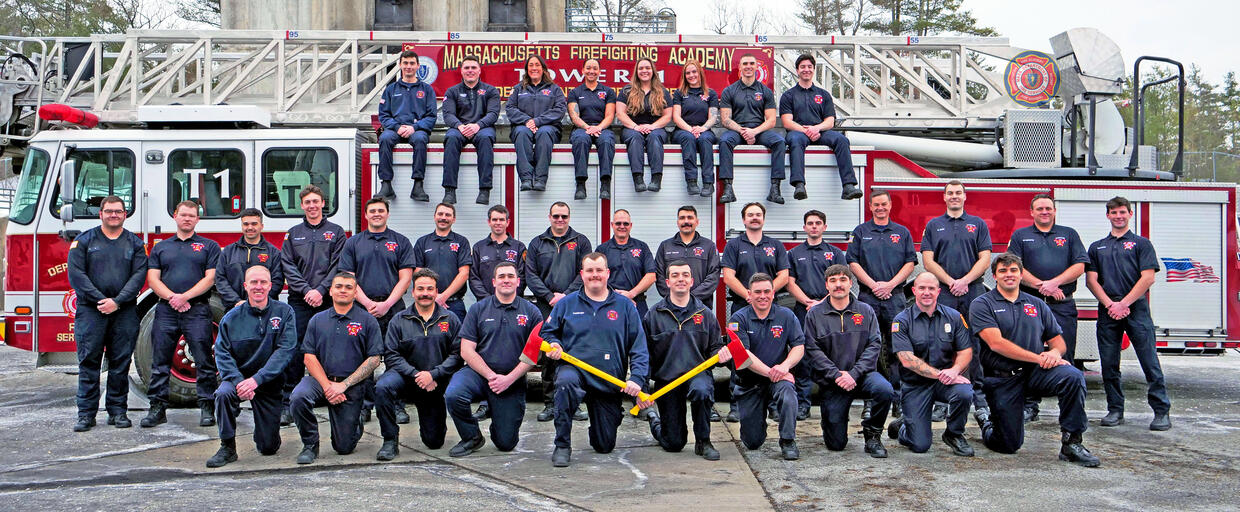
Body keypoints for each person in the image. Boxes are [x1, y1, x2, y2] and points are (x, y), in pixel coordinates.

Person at [970, 253, 1100, 467]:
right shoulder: (982, 304)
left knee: (1073, 377)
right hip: (1003, 379)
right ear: (994, 276)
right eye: (1003, 271)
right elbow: (996, 343)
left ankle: (1072, 443)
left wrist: (1055, 354)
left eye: (1013, 270)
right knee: (1008, 445)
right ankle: (986, 421)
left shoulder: (1037, 304)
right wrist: (1039, 358)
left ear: (1021, 275)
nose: (1008, 275)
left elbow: (1058, 341)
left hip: (1035, 373)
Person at [541, 252, 650, 467]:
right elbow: (547, 333)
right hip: (575, 371)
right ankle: (562, 444)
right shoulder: (566, 303)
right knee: (564, 384)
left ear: (607, 273)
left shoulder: (625, 306)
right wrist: (554, 344)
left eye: (599, 270)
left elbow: (639, 347)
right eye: (590, 271)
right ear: (582, 274)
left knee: (604, 445)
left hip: (608, 379)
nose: (595, 275)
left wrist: (637, 378)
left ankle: (600, 423)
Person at [1085, 196, 1171, 431]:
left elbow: (1148, 277)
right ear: (1108, 216)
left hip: (1136, 310)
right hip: (1107, 311)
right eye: (1114, 213)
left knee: (1149, 362)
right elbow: (1091, 281)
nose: (1119, 216)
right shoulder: (1097, 247)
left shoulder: (1142, 244)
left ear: (1130, 214)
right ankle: (1115, 410)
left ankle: (1161, 411)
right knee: (1109, 364)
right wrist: (1110, 305)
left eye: (1123, 212)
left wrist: (1124, 303)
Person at [444, 262, 543, 457]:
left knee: (505, 443)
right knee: (454, 394)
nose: (506, 280)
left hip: (512, 379)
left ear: (518, 281)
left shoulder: (532, 312)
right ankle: (471, 436)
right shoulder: (478, 309)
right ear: (494, 282)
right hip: (479, 374)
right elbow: (466, 350)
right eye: (501, 276)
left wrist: (508, 379)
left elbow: (533, 355)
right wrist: (491, 376)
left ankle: (498, 418)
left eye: (510, 276)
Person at [68, 195, 147, 432]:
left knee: (121, 363)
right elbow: (77, 276)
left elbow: (139, 277)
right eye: (109, 211)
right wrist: (101, 300)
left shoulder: (134, 244)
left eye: (119, 211)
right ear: (100, 214)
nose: (114, 215)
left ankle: (118, 412)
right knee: (89, 362)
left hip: (123, 312)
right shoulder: (83, 241)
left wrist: (118, 301)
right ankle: (86, 415)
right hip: (91, 311)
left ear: (125, 215)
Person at [1007, 194, 1088, 422]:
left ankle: (1070, 409)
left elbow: (1080, 265)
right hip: (1029, 304)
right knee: (1029, 353)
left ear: (1054, 211)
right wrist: (1042, 287)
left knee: (1065, 352)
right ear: (1031, 212)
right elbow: (1015, 268)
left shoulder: (1069, 234)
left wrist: (1054, 284)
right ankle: (1029, 406)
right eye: (1040, 208)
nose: (1044, 212)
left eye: (1048, 208)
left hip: (1062, 304)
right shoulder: (1021, 236)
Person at [206, 266, 297, 468]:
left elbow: (285, 351)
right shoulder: (231, 318)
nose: (259, 287)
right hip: (238, 381)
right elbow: (222, 353)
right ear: (245, 286)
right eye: (254, 282)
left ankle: (265, 433)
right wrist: (240, 382)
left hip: (268, 383)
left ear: (271, 286)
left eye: (263, 282)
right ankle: (227, 447)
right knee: (223, 394)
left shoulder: (285, 313)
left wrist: (257, 380)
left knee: (268, 448)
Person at [142, 200, 222, 429]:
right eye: (183, 215)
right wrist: (173, 299)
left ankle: (207, 407)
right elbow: (153, 279)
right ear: (175, 216)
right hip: (166, 310)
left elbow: (210, 278)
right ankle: (157, 408)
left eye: (192, 216)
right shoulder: (161, 247)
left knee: (205, 361)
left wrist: (185, 297)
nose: (187, 219)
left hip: (197, 309)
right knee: (160, 362)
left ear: (197, 220)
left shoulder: (209, 246)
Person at [289, 271, 382, 465]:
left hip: (351, 384)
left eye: (349, 287)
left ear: (356, 293)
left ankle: (354, 422)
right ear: (330, 291)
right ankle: (309, 445)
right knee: (298, 396)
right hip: (320, 380)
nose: (343, 291)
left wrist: (344, 385)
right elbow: (308, 357)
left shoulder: (368, 320)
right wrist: (328, 387)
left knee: (343, 448)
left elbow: (374, 359)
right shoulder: (317, 320)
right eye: (338, 286)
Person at [337, 196, 415, 424]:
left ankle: (397, 405)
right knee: (364, 360)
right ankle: (364, 406)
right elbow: (348, 278)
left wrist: (387, 304)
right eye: (372, 211)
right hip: (361, 309)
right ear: (366, 215)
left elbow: (406, 277)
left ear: (388, 214)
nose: (377, 214)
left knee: (395, 358)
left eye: (381, 210)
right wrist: (368, 303)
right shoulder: (353, 243)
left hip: (393, 309)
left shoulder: (400, 241)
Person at [802, 265, 892, 458]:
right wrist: (836, 375)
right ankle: (831, 422)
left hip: (862, 375)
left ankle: (873, 434)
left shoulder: (865, 311)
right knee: (836, 444)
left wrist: (854, 373)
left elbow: (874, 345)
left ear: (851, 283)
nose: (838, 285)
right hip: (833, 381)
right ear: (826, 285)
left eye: (843, 280)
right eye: (833, 281)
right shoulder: (815, 314)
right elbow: (812, 350)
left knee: (884, 390)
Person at [921, 180, 991, 425]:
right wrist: (951, 281)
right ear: (944, 197)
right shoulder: (934, 225)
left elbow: (985, 258)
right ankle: (941, 400)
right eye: (950, 193)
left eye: (958, 193)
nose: (954, 196)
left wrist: (965, 281)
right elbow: (928, 261)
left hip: (973, 291)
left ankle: (978, 398)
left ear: (965, 196)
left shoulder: (978, 224)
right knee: (942, 344)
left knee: (975, 344)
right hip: (946, 292)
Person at [639, 260, 725, 460]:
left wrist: (720, 355)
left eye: (685, 275)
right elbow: (644, 356)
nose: (681, 279)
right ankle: (655, 420)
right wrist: (643, 389)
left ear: (692, 281)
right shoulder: (653, 316)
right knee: (673, 444)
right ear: (667, 282)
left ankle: (704, 441)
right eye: (675, 275)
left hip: (697, 375)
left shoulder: (705, 314)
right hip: (667, 381)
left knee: (703, 390)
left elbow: (715, 348)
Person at [374, 269, 463, 461]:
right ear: (413, 292)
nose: (425, 293)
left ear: (436, 291)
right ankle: (389, 440)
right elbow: (391, 355)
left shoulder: (450, 319)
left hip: (435, 383)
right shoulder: (399, 320)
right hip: (406, 378)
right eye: (420, 289)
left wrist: (433, 375)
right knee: (382, 387)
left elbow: (457, 355)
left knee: (434, 442)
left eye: (430, 289)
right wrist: (416, 374)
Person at [886, 272, 975, 456]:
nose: (927, 292)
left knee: (965, 393)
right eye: (922, 288)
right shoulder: (901, 320)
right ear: (914, 290)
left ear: (938, 291)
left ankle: (954, 434)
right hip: (915, 385)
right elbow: (906, 359)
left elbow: (966, 351)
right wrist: (941, 374)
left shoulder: (954, 317)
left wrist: (955, 370)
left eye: (931, 288)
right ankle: (905, 427)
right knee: (920, 446)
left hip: (945, 382)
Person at [279, 185, 347, 425]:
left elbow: (338, 265)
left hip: (328, 300)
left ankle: (332, 395)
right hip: (300, 300)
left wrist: (321, 290)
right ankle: (288, 402)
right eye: (307, 202)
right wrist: (307, 290)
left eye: (315, 201)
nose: (312, 205)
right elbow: (287, 265)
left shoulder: (336, 232)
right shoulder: (293, 233)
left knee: (332, 347)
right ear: (302, 205)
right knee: (295, 350)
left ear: (322, 203)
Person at [847, 190, 917, 420]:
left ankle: (898, 399)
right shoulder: (861, 232)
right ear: (870, 206)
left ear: (889, 206)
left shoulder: (901, 232)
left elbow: (910, 263)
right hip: (868, 297)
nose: (880, 208)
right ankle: (871, 399)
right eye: (876, 204)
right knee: (868, 349)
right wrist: (874, 285)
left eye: (884, 204)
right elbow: (853, 262)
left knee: (898, 348)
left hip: (895, 297)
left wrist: (889, 285)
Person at [721, 202, 789, 422]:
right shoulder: (733, 245)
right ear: (743, 219)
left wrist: (766, 295)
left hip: (771, 309)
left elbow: (784, 276)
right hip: (742, 306)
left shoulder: (775, 245)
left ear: (763, 218)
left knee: (772, 353)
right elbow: (728, 276)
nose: (754, 218)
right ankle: (737, 404)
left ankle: (773, 405)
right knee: (739, 354)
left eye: (758, 214)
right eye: (750, 215)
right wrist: (749, 295)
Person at [525, 201, 592, 422]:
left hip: (574, 304)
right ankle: (550, 403)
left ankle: (575, 403)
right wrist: (549, 297)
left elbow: (585, 271)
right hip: (546, 305)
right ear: (549, 216)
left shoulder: (581, 241)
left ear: (569, 217)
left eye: (564, 216)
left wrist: (566, 295)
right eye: (556, 216)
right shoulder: (537, 243)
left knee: (574, 351)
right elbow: (530, 275)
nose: (560, 220)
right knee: (549, 355)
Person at [728, 273, 803, 460]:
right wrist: (772, 372)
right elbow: (743, 355)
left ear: (773, 292)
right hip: (750, 382)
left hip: (779, 378)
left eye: (767, 291)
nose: (763, 296)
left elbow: (799, 347)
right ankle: (758, 422)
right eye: (758, 292)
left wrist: (785, 367)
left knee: (788, 394)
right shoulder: (738, 318)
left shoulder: (786, 315)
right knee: (752, 443)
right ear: (749, 294)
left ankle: (787, 440)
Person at [786, 209, 845, 420]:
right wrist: (807, 302)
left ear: (824, 227)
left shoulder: (835, 253)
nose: (814, 226)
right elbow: (789, 282)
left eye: (818, 223)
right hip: (803, 309)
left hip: (830, 309)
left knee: (832, 354)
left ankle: (832, 401)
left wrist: (822, 303)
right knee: (803, 356)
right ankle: (803, 403)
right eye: (810, 223)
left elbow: (840, 281)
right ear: (804, 228)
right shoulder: (793, 253)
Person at [778, 54, 862, 201]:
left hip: (821, 132)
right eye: (803, 67)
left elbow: (830, 121)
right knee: (795, 141)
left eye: (809, 67)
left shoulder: (824, 95)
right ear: (797, 71)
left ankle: (848, 186)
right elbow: (787, 122)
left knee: (842, 140)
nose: (806, 70)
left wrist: (816, 128)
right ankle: (799, 185)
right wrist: (807, 131)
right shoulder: (788, 95)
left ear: (814, 70)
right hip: (798, 132)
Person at [718, 53, 785, 204]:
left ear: (756, 67)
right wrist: (743, 131)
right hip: (737, 131)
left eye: (752, 63)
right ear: (740, 67)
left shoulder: (766, 91)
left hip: (759, 131)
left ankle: (775, 188)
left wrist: (754, 131)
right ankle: (728, 188)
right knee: (724, 141)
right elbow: (725, 119)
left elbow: (772, 120)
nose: (748, 66)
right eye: (745, 63)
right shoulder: (729, 91)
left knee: (779, 141)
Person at [377, 49, 437, 202]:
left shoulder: (427, 90)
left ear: (418, 66)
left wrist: (414, 128)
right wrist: (397, 127)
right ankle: (386, 185)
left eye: (412, 63)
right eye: (405, 63)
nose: (408, 66)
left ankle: (418, 185)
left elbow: (431, 116)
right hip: (395, 130)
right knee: (384, 139)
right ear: (400, 65)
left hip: (417, 131)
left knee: (420, 140)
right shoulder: (391, 90)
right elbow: (383, 115)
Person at [441, 55, 501, 205]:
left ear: (479, 71)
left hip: (483, 129)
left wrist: (477, 125)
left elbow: (493, 114)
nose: (470, 71)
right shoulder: (452, 92)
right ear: (461, 71)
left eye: (473, 68)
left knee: (486, 139)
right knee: (451, 138)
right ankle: (449, 191)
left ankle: (484, 190)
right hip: (459, 128)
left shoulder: (491, 91)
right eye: (466, 68)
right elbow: (448, 114)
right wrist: (460, 126)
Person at [506, 55, 566, 192]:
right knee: (521, 132)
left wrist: (537, 121)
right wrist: (527, 120)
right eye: (531, 65)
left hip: (549, 129)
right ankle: (526, 179)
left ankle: (540, 179)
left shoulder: (554, 89)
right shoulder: (518, 89)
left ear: (543, 69)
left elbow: (560, 110)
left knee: (544, 133)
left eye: (537, 65)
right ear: (527, 69)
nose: (534, 68)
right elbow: (510, 109)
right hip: (523, 127)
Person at [616, 57, 673, 194]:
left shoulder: (662, 92)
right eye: (641, 68)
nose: (644, 71)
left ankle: (656, 178)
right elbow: (620, 113)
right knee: (635, 138)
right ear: (636, 71)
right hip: (632, 128)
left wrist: (653, 126)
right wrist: (636, 127)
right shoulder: (627, 91)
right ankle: (638, 179)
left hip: (656, 128)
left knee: (654, 137)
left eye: (647, 68)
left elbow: (668, 116)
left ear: (653, 71)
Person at [413, 202, 472, 322]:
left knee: (457, 340)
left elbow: (464, 273)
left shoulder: (462, 242)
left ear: (453, 219)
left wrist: (443, 297)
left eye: (448, 215)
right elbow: (417, 273)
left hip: (454, 304)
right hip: (427, 303)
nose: (443, 218)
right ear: (434, 216)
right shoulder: (422, 242)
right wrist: (433, 296)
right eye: (440, 214)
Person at [567, 58, 617, 200]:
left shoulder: (608, 92)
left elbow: (610, 115)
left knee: (607, 141)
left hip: (603, 128)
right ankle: (581, 184)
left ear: (600, 72)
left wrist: (598, 128)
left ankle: (605, 184)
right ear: (582, 71)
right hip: (582, 128)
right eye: (588, 68)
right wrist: (587, 127)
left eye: (595, 68)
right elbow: (574, 115)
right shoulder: (575, 92)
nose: (591, 71)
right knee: (581, 140)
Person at [215, 208, 283, 309]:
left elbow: (277, 281)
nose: (250, 227)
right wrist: (236, 301)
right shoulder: (228, 252)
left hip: (265, 309)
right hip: (235, 308)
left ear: (262, 226)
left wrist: (257, 301)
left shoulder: (273, 253)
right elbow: (220, 279)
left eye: (254, 224)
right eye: (246, 224)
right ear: (242, 226)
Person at [671, 58, 719, 197]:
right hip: (683, 131)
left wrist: (703, 128)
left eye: (694, 72)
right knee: (688, 138)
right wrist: (691, 129)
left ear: (700, 73)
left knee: (705, 140)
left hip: (704, 130)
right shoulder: (679, 93)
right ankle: (691, 181)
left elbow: (713, 116)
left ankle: (708, 183)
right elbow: (676, 117)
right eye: (688, 73)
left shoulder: (711, 93)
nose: (691, 75)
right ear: (684, 76)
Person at [654, 205, 720, 307]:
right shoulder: (665, 246)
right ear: (677, 222)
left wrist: (691, 298)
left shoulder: (709, 246)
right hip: (672, 306)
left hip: (701, 306)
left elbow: (713, 276)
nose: (686, 221)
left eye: (690, 218)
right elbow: (659, 276)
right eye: (682, 218)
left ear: (697, 222)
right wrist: (674, 299)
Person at [597, 209, 656, 318]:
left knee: (640, 334)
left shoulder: (642, 247)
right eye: (618, 223)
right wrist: (617, 296)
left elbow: (652, 275)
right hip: (609, 302)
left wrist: (631, 294)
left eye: (626, 224)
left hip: (637, 302)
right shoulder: (602, 249)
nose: (622, 226)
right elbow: (596, 278)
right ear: (612, 225)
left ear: (631, 225)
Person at [469, 204, 527, 302]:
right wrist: (488, 300)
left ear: (507, 222)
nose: (498, 223)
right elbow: (474, 277)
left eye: (501, 220)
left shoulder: (519, 247)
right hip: (485, 304)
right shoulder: (478, 247)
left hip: (513, 304)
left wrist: (508, 297)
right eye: (495, 220)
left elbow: (523, 277)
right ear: (489, 222)